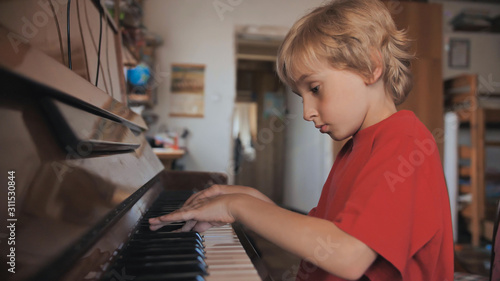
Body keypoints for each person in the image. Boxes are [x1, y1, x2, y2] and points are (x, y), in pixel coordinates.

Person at [149, 0, 454, 280]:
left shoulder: (404, 141)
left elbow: (349, 254)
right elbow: (320, 237)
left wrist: (239, 207)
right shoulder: (354, 147)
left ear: (370, 66)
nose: (307, 112)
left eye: (316, 88)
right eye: (301, 96)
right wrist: (251, 198)